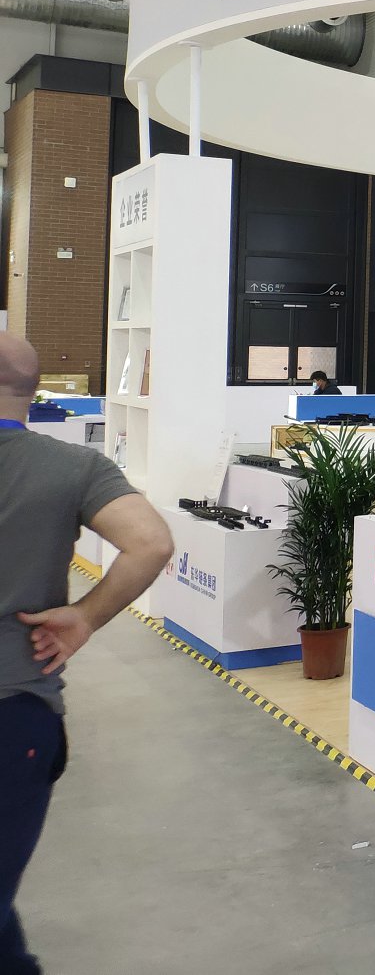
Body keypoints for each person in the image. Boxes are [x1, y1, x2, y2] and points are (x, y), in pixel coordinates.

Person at [0, 333, 173, 970]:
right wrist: (86, 617)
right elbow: (151, 543)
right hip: (18, 705)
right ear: (32, 392)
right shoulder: (72, 467)